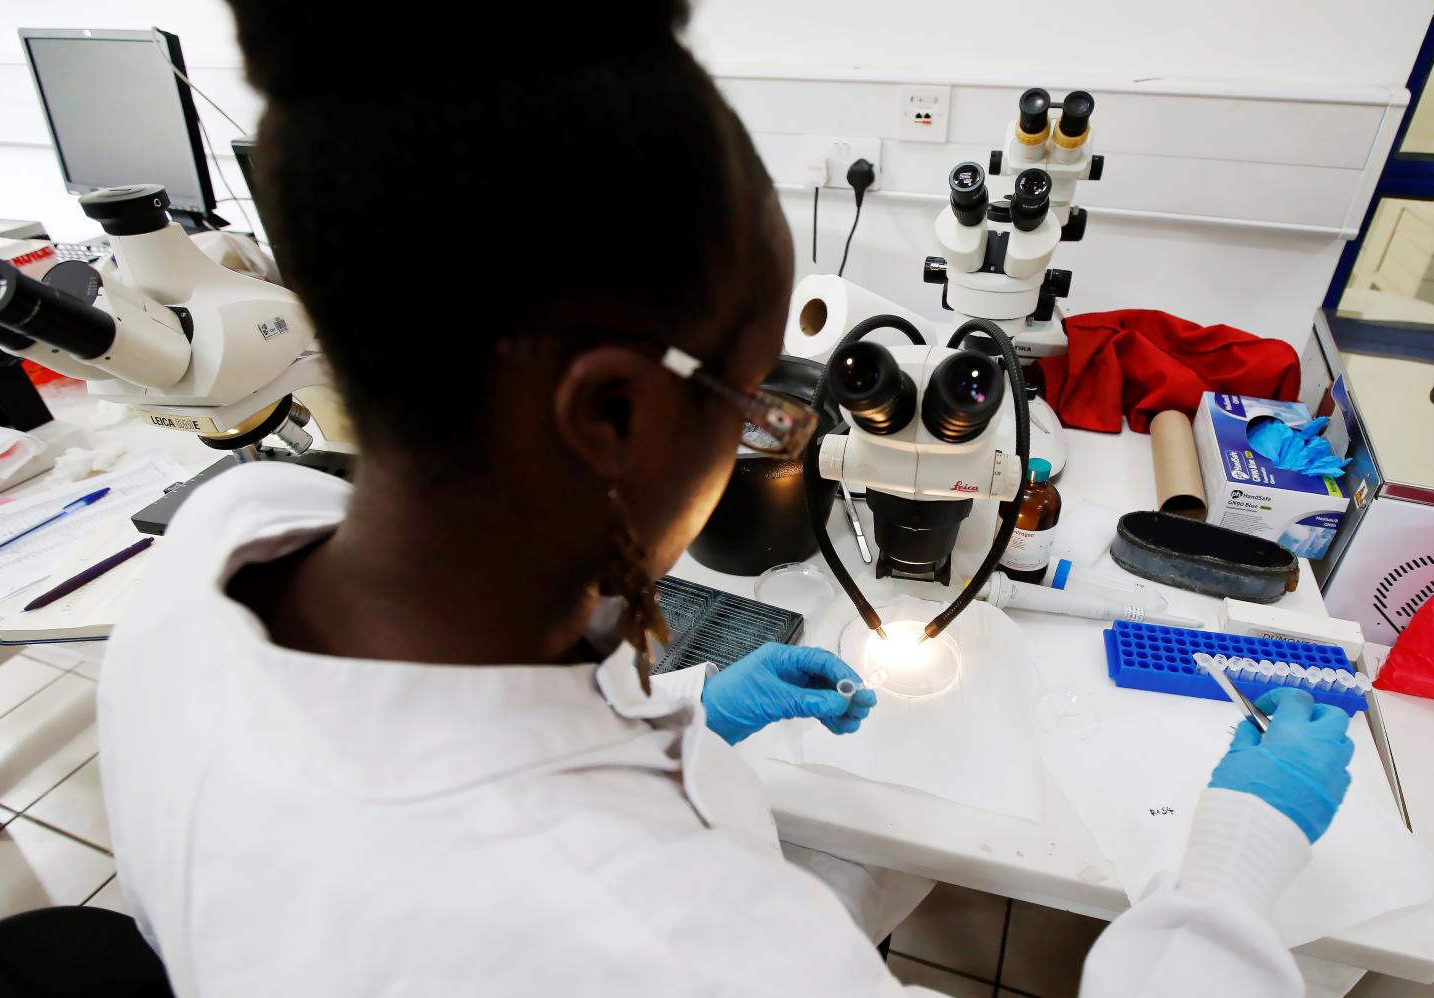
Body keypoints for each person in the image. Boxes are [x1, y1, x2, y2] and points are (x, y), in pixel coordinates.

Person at [95, 2, 1356, 994]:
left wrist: (692, 713)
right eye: (754, 395)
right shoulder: (685, 950)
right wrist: (1228, 884)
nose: (766, 433)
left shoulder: (220, 540)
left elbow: (435, 732)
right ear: (611, 414)